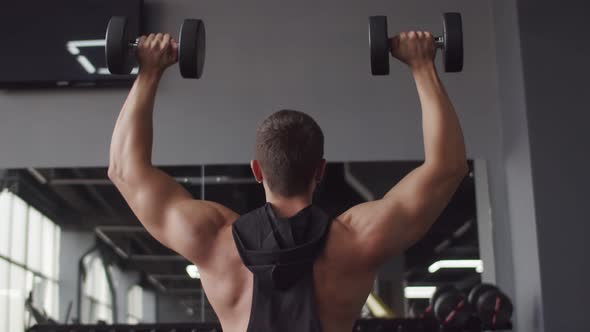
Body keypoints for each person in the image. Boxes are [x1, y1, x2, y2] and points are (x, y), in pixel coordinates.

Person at [108, 30, 467, 332]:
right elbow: (448, 167)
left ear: (257, 170)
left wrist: (149, 71)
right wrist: (422, 65)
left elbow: (124, 170)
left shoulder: (213, 239)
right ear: (320, 170)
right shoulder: (359, 240)